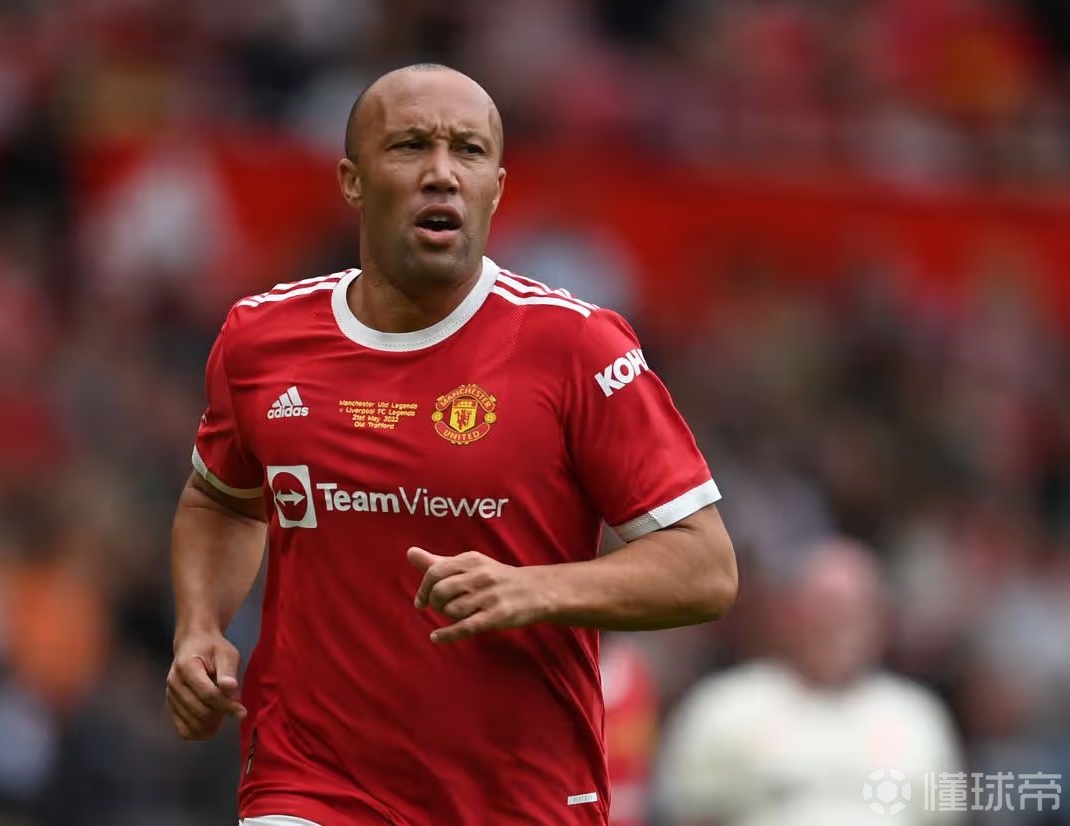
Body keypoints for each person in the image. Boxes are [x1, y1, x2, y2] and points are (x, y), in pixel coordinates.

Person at [165, 63, 738, 826]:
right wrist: (200, 627)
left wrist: (536, 589)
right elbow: (222, 500)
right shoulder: (261, 339)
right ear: (352, 181)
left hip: (520, 796)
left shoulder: (575, 347)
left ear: (495, 188)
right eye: (410, 146)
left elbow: (706, 568)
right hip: (311, 782)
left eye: (467, 151)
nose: (442, 173)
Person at [655, 537, 963, 826]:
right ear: (789, 614)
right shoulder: (723, 707)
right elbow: (690, 815)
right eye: (825, 608)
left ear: (880, 622)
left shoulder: (919, 718)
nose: (837, 626)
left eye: (854, 611)